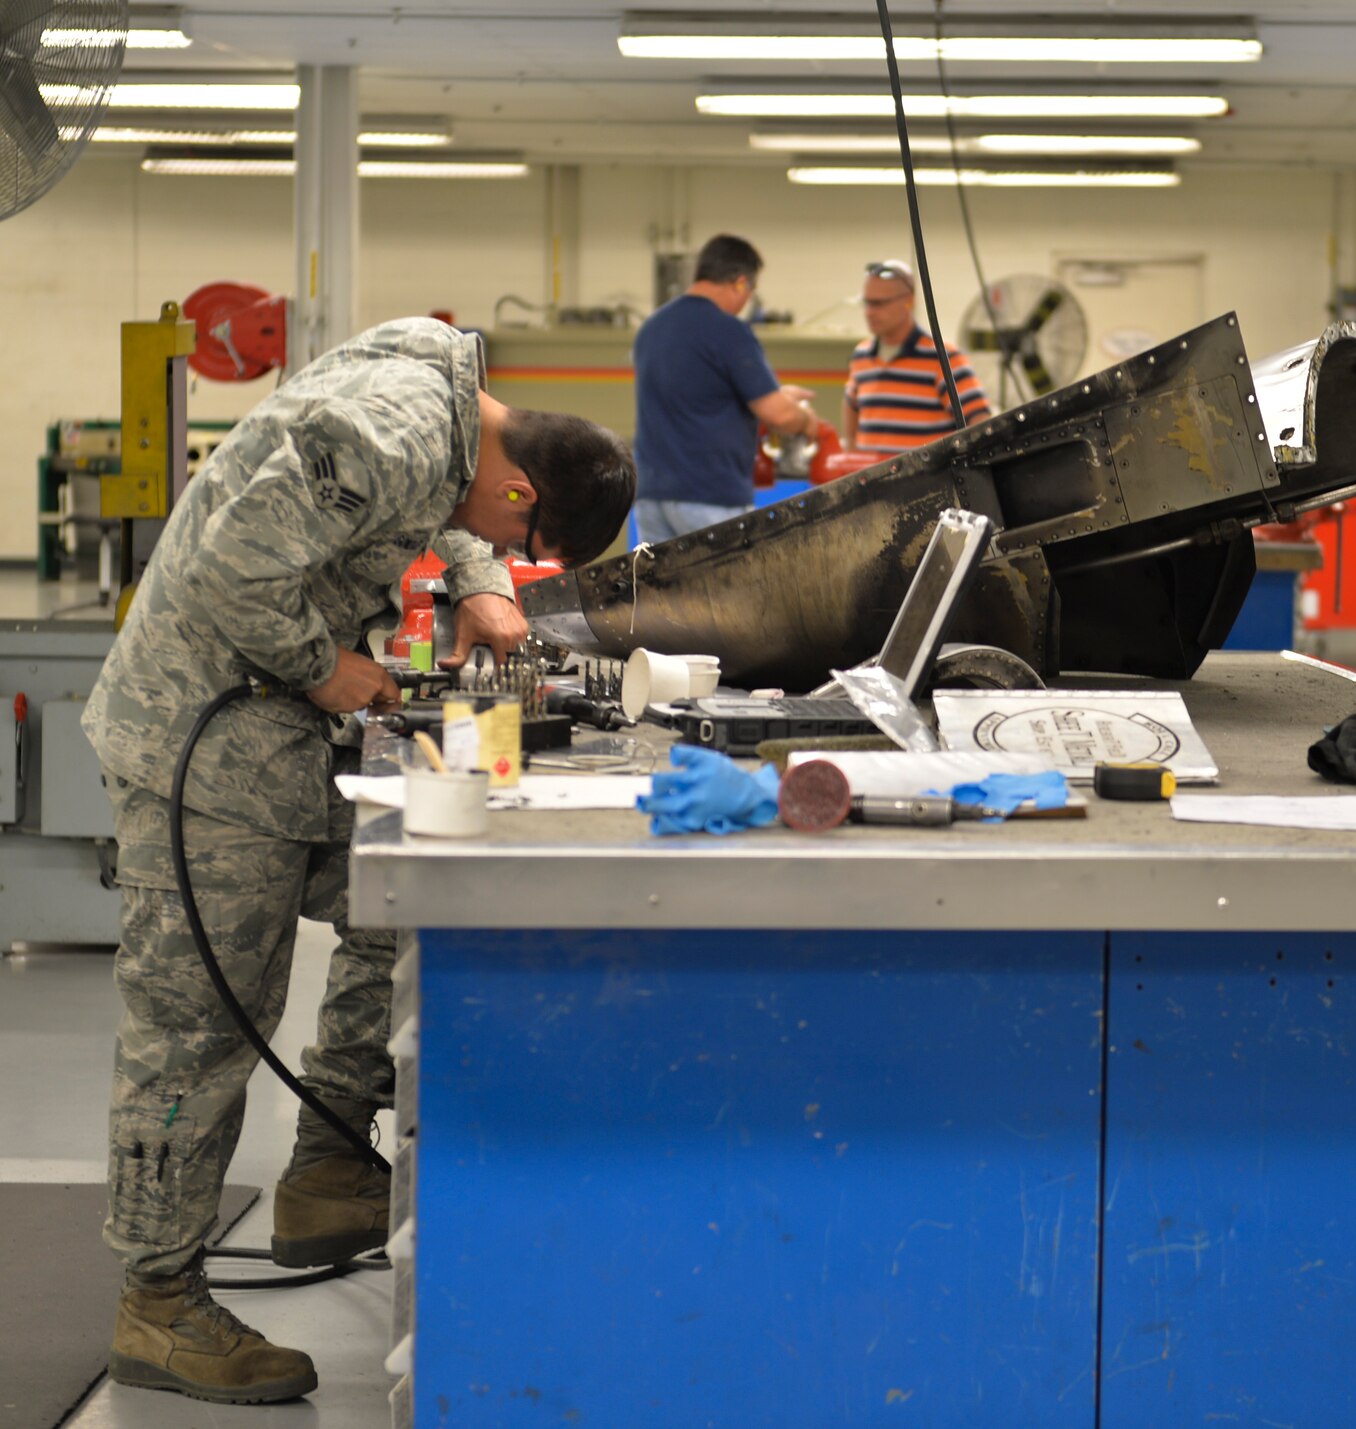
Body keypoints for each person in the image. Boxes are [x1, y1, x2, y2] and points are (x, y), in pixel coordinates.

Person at [83, 315, 634, 1405]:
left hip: (273, 735)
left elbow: (458, 501)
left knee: (416, 877)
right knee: (197, 1022)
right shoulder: (385, 430)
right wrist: (326, 666)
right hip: (203, 738)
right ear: (519, 486)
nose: (502, 548)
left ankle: (331, 1160)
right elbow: (225, 574)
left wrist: (482, 578)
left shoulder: (455, 407)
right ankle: (159, 1300)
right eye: (517, 540)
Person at [630, 233, 817, 544]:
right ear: (741, 282)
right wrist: (805, 419)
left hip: (652, 499)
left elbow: (698, 395)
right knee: (726, 592)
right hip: (708, 498)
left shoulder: (652, 328)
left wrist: (778, 395)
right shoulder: (727, 330)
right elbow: (779, 417)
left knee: (662, 592)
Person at [843, 258, 992, 456]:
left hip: (927, 485)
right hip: (872, 485)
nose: (869, 312)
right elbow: (851, 407)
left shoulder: (942, 357)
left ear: (908, 301)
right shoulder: (862, 356)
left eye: (879, 304)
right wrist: (851, 453)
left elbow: (979, 420)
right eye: (867, 303)